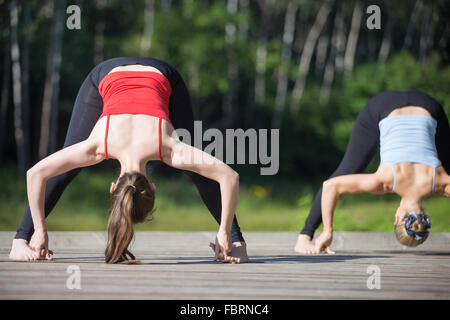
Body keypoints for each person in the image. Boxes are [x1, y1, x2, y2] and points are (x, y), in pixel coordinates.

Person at [9, 57, 248, 264]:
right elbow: (35, 174)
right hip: (131, 73)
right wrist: (225, 233)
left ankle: (23, 239)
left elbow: (229, 177)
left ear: (153, 188)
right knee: (198, 172)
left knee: (66, 171)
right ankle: (20, 240)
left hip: (138, 72)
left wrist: (224, 232)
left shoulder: (169, 150)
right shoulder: (98, 147)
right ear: (113, 187)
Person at [294, 90, 450, 254]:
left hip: (428, 105)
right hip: (384, 106)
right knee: (346, 172)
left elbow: (329, 186)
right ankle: (304, 238)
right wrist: (328, 232)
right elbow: (330, 186)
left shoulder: (442, 183)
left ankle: (305, 236)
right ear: (396, 218)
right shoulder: (385, 182)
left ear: (426, 218)